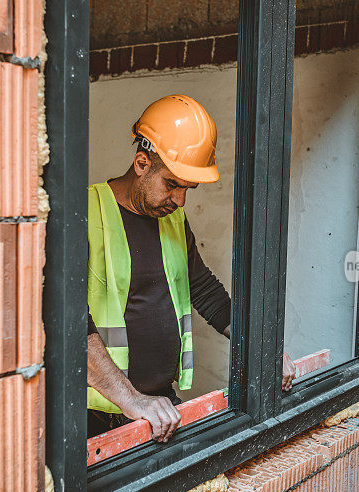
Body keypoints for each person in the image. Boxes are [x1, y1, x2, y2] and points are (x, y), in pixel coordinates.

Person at [87, 94, 296, 442]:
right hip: (99, 413)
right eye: (172, 184)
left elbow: (204, 290)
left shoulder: (171, 218)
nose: (180, 200)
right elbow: (69, 324)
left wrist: (260, 347)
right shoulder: (85, 213)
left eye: (187, 188)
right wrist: (130, 398)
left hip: (157, 408)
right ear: (142, 164)